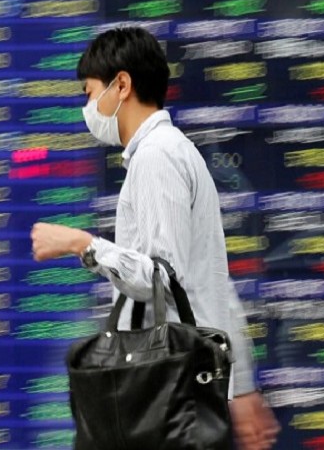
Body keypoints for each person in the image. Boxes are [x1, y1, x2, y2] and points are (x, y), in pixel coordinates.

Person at [29, 26, 279, 450]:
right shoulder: (171, 151)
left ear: (121, 85)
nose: (88, 106)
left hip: (164, 391)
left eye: (89, 92)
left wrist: (82, 245)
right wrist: (244, 387)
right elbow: (214, 288)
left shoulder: (157, 157)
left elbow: (160, 279)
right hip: (181, 388)